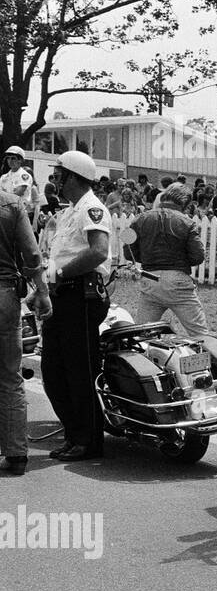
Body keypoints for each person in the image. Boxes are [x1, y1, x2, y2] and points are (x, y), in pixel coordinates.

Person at [41, 150, 111, 462]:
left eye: (59, 175)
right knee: (53, 370)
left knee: (79, 370)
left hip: (81, 296)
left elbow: (98, 252)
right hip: (63, 296)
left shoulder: (92, 208)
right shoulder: (71, 211)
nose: (55, 180)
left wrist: (62, 272)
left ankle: (88, 440)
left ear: (73, 177)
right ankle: (74, 433)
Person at [1, 177, 50, 474]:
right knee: (10, 376)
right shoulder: (12, 203)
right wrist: (42, 291)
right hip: (6, 295)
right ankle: (17, 453)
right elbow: (32, 254)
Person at [125, 183, 210, 338]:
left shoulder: (140, 219)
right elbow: (198, 256)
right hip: (178, 280)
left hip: (150, 279)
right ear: (185, 202)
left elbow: (128, 250)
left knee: (142, 336)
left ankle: (142, 361)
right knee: (200, 335)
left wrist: (146, 257)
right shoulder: (187, 222)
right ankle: (212, 360)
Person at [1, 147, 36, 223]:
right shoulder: (4, 177)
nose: (10, 161)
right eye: (8, 158)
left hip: (21, 213)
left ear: (20, 160)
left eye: (13, 158)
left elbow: (17, 194)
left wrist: (4, 194)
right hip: (5, 213)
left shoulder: (24, 175)